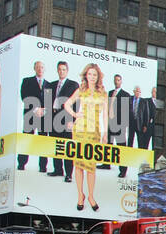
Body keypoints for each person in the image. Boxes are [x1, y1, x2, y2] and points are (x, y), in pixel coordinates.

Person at [66, 63, 108, 211]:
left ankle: (91, 195)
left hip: (94, 131)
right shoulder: (81, 90)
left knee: (91, 166)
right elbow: (67, 104)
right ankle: (80, 195)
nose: (91, 77)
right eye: (89, 74)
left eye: (94, 75)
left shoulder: (103, 93)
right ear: (86, 75)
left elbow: (105, 115)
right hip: (80, 130)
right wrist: (75, 115)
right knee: (78, 165)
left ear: (98, 77)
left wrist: (105, 134)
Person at [49, 60, 79, 181]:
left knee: (67, 148)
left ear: (67, 71)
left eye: (64, 69)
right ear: (57, 70)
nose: (61, 71)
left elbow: (76, 103)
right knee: (56, 146)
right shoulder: (51, 84)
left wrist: (73, 119)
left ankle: (68, 174)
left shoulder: (73, 85)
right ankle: (57, 170)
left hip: (66, 119)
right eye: (60, 69)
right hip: (53, 118)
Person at [18, 60, 49, 173]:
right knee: (27, 139)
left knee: (43, 141)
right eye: (38, 67)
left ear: (44, 69)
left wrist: (43, 110)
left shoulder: (48, 84)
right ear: (34, 68)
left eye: (42, 67)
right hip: (30, 115)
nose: (40, 69)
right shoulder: (27, 81)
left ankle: (42, 166)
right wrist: (35, 109)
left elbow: (50, 101)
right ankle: (21, 164)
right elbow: (24, 96)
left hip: (44, 117)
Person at [108, 74, 131, 176]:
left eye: (118, 80)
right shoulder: (110, 93)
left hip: (119, 124)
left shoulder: (125, 94)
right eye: (115, 80)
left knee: (121, 148)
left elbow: (126, 111)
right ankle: (106, 164)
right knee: (108, 144)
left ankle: (123, 171)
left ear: (121, 81)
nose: (116, 81)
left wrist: (124, 126)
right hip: (109, 122)